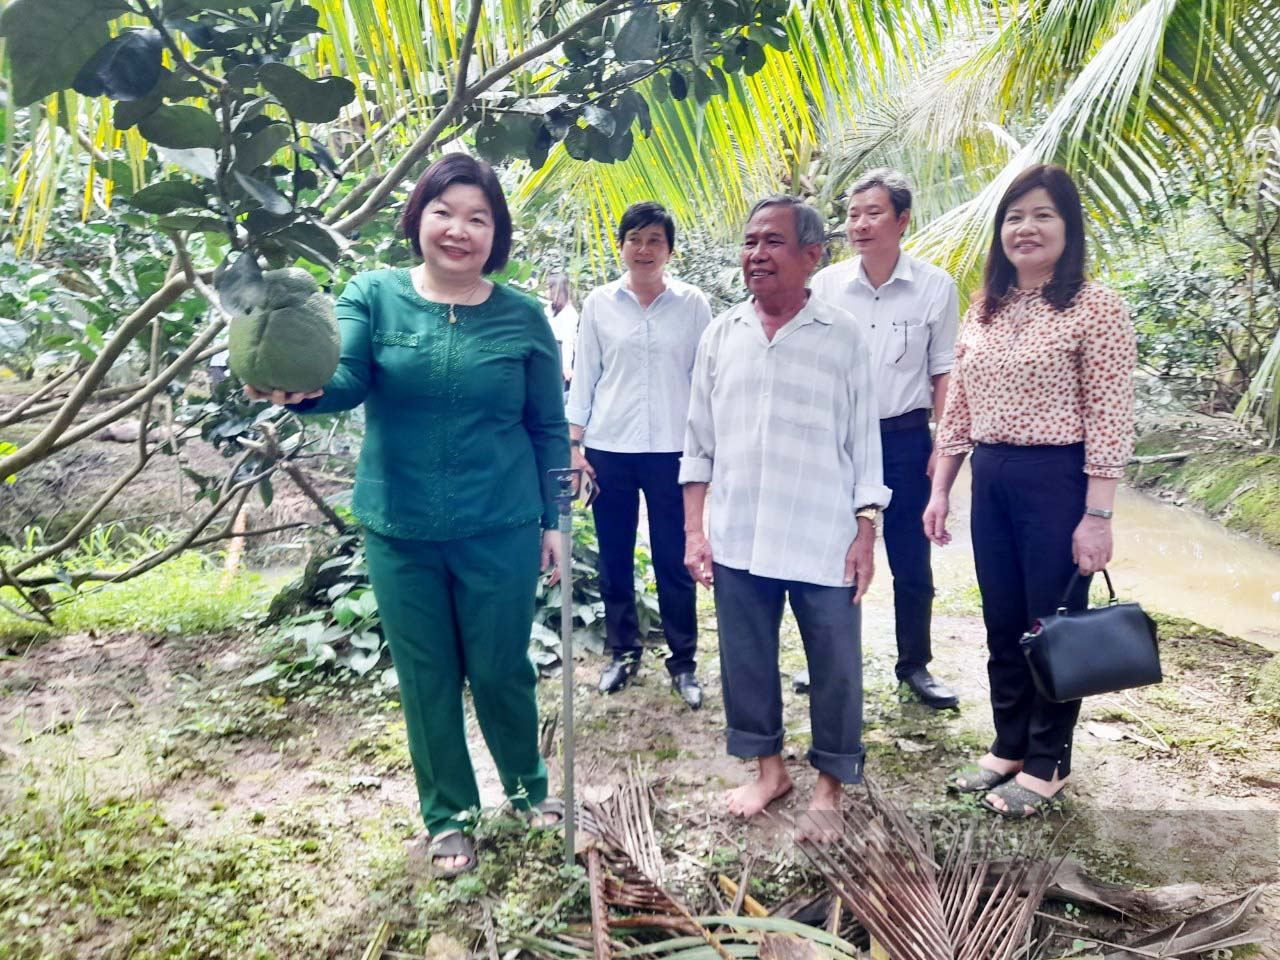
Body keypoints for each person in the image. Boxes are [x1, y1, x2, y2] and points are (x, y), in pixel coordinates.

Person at [244, 154, 569, 875]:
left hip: (502, 524)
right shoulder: (374, 294)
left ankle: (526, 788)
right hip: (402, 528)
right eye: (445, 212)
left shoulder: (523, 315)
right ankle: (447, 815)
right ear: (419, 216)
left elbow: (549, 424)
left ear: (497, 233)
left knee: (500, 667)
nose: (460, 230)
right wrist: (297, 389)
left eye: (478, 218)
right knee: (425, 674)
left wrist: (554, 520)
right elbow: (347, 377)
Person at [923, 164, 1136, 818]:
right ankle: (1008, 745)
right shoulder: (985, 309)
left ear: (1067, 227)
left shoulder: (1096, 308)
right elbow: (957, 410)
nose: (1027, 228)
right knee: (1002, 622)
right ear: (1000, 233)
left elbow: (1110, 414)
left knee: (1051, 629)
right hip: (992, 479)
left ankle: (1048, 762)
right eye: (1014, 217)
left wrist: (1096, 515)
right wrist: (940, 492)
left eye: (1042, 214)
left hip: (1057, 480)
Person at [681, 195, 891, 828]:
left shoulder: (842, 335)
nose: (755, 255)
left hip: (821, 533)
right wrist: (695, 530)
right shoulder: (722, 333)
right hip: (741, 533)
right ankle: (769, 773)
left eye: (772, 242)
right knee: (745, 656)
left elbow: (864, 443)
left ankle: (830, 782)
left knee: (835, 661)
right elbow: (698, 442)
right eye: (749, 242)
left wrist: (865, 530)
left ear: (811, 255)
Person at [810, 169, 960, 709]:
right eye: (853, 214)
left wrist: (943, 446)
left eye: (873, 213)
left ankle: (914, 665)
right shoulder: (826, 287)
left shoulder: (936, 287)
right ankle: (826, 661)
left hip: (903, 438)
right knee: (829, 552)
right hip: (838, 440)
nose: (860, 224)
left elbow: (944, 372)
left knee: (910, 557)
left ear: (902, 220)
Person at [566, 202, 712, 709]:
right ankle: (622, 652)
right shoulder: (599, 304)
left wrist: (708, 447)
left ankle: (683, 660)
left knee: (675, 558)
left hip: (674, 450)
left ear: (669, 249)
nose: (643, 249)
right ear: (621, 246)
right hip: (611, 449)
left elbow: (705, 379)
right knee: (614, 556)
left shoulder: (693, 305)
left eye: (654, 239)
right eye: (634, 238)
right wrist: (575, 443)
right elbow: (585, 376)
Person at [546, 272, 579, 392]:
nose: (547, 291)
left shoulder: (569, 313)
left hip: (558, 353)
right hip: (547, 350)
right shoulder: (549, 308)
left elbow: (568, 341)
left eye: (549, 288)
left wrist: (566, 367)